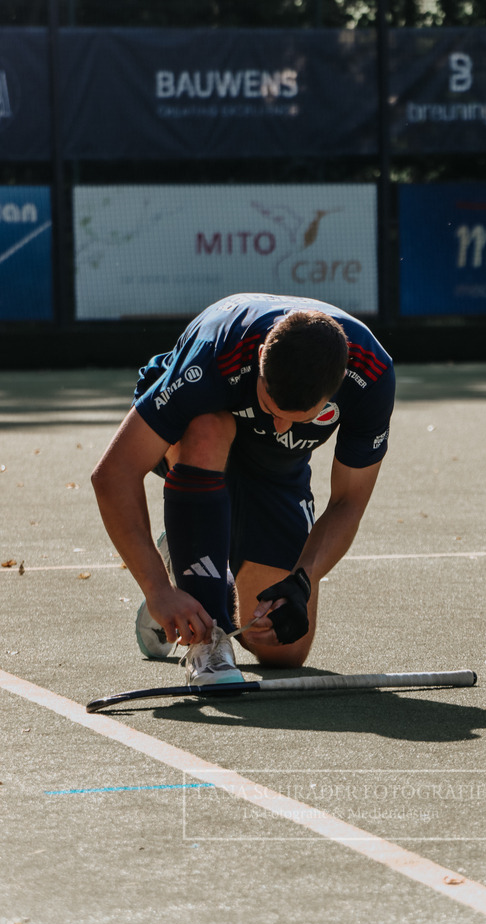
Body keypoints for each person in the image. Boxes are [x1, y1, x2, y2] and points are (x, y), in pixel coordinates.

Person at [91, 293, 395, 686]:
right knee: (208, 429)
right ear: (262, 357)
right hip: (198, 440)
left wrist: (303, 580)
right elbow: (113, 474)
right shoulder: (216, 353)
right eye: (271, 409)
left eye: (299, 420)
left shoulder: (371, 374)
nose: (281, 429)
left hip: (276, 471)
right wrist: (157, 589)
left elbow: (348, 501)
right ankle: (207, 638)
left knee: (283, 650)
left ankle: (192, 551)